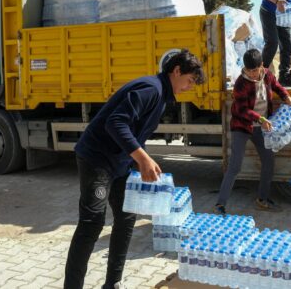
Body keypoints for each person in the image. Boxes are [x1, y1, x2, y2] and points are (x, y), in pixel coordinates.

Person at [64, 50, 205, 289]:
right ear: (177, 71)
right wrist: (143, 159)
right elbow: (115, 122)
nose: (189, 87)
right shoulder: (152, 89)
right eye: (190, 81)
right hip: (97, 159)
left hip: (119, 162)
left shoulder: (161, 96)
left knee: (127, 217)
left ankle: (113, 283)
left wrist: (138, 161)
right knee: (92, 223)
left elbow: (134, 131)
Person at [214, 49, 291, 215]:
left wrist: (286, 97)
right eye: (248, 70)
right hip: (242, 127)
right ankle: (220, 204)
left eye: (254, 70)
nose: (251, 74)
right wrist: (260, 119)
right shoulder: (240, 84)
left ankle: (262, 199)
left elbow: (278, 87)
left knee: (268, 161)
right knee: (235, 166)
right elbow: (242, 110)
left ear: (262, 66)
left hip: (261, 127)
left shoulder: (267, 75)